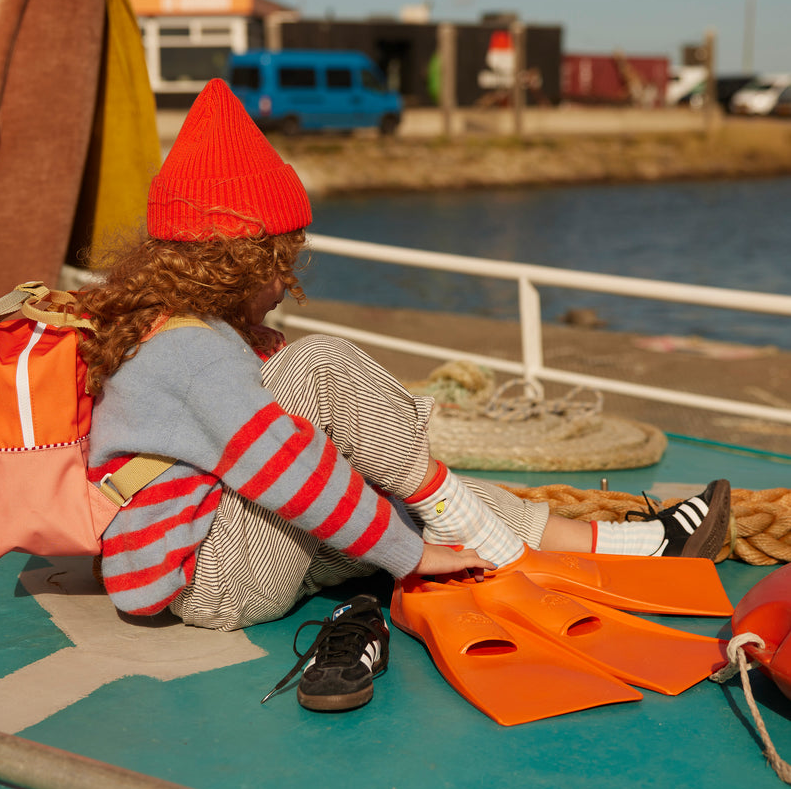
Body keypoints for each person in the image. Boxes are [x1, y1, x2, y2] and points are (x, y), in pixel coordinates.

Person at [78, 79, 731, 713]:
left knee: (405, 491)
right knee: (322, 367)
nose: (285, 284)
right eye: (279, 264)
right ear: (237, 263)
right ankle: (476, 529)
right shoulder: (194, 355)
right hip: (217, 576)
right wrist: (414, 555)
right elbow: (288, 473)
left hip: (221, 550)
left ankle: (624, 543)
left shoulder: (174, 327)